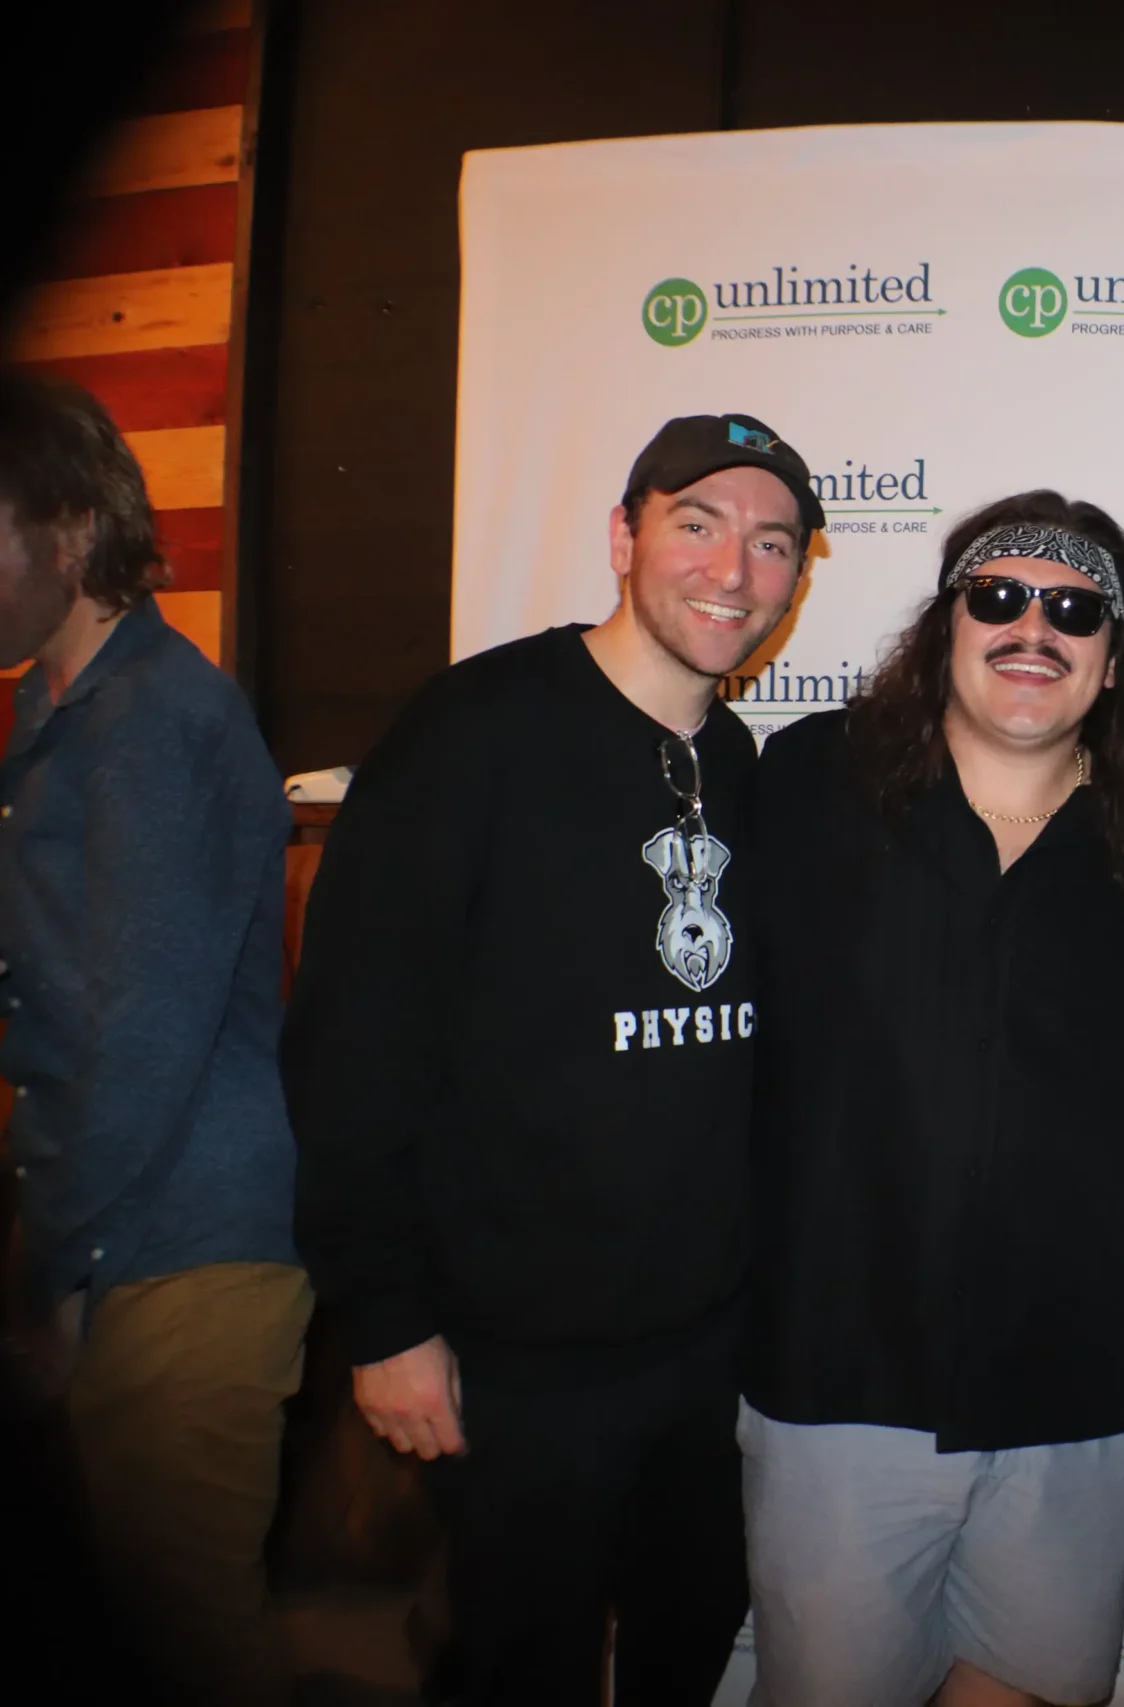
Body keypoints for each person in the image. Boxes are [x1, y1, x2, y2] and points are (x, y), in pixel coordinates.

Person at [285, 412, 823, 1706]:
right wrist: (388, 1313)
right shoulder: (475, 731)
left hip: (704, 1359)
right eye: (697, 525)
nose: (732, 572)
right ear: (623, 535)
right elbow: (351, 1036)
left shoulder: (743, 767)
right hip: (513, 1361)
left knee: (685, 1646)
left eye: (772, 544)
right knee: (514, 1667)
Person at [738, 493, 1124, 1707]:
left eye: (1072, 609)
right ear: (943, 624)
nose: (1030, 628)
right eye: (996, 598)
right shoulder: (804, 786)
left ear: (1113, 662)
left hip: (1069, 1394)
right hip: (838, 1388)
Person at [0, 375, 307, 1705]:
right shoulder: (54, 712)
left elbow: (140, 1038)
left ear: (70, 530)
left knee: (184, 1629)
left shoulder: (154, 721)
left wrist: (44, 1271)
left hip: (188, 1238)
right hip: (124, 1212)